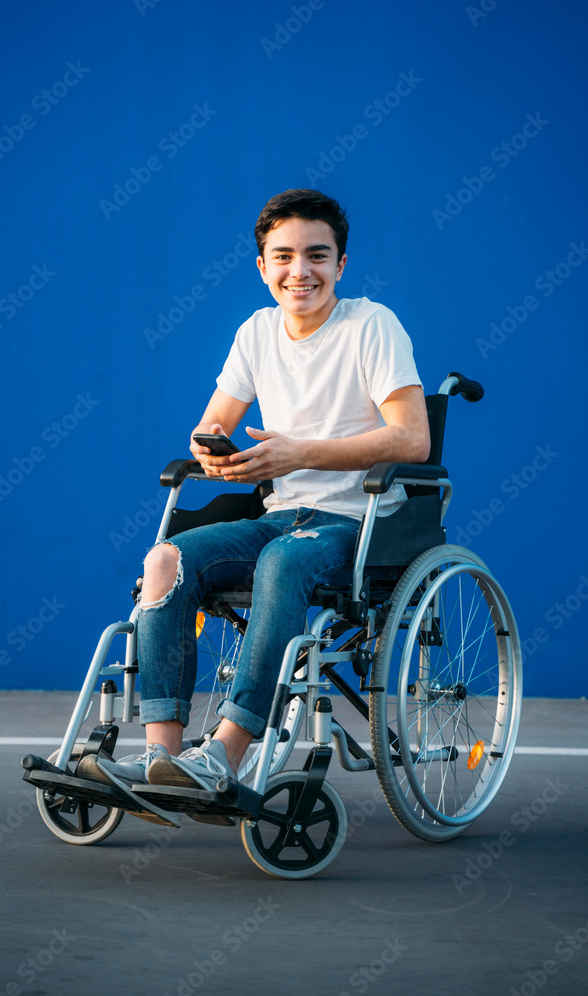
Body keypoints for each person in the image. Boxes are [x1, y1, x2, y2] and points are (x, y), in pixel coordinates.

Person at [84, 188, 430, 794]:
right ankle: (163, 759)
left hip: (357, 522)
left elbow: (412, 440)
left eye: (317, 256)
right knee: (165, 559)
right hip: (281, 514)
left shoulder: (372, 325)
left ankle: (224, 754)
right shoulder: (257, 331)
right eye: (285, 256)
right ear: (263, 266)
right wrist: (213, 451)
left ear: (341, 265)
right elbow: (211, 423)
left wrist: (300, 453)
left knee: (280, 561)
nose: (301, 271)